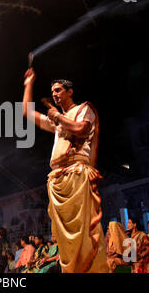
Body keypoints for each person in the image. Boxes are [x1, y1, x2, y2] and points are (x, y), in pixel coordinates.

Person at [22, 68, 109, 273]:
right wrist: (28, 84)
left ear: (70, 92)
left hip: (78, 174)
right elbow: (26, 112)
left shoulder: (83, 109)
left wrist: (57, 117)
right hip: (59, 180)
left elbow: (81, 129)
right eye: (53, 91)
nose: (55, 94)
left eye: (59, 90)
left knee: (84, 232)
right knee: (65, 238)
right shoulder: (57, 120)